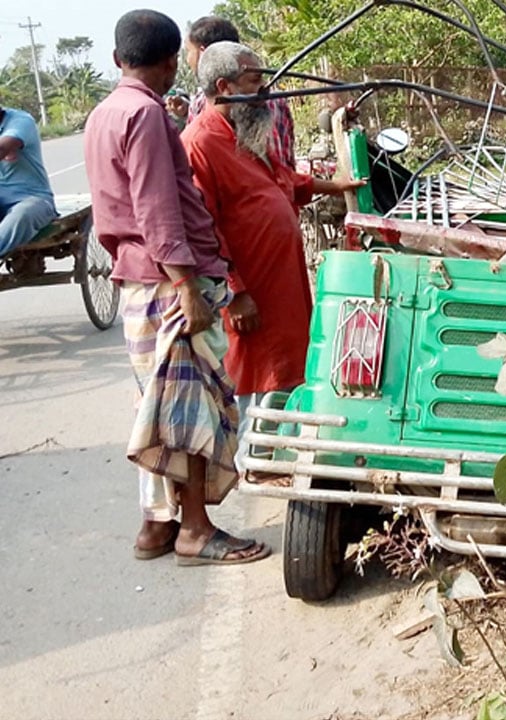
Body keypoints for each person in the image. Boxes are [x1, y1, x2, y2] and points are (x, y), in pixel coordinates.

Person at [84, 9, 269, 565]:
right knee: (192, 411)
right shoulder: (145, 116)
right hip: (168, 285)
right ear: (170, 63)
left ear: (118, 59)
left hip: (142, 282)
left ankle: (156, 527)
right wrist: (188, 285)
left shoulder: (103, 113)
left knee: (159, 406)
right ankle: (195, 530)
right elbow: (157, 208)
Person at [183, 41, 362, 450]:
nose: (265, 89)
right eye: (255, 80)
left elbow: (282, 180)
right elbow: (203, 228)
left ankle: (280, 452)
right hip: (251, 291)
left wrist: (336, 185)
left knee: (287, 372)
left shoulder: (243, 132)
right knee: (255, 379)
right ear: (225, 87)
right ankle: (255, 460)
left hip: (282, 284)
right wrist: (236, 293)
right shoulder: (200, 143)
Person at [184, 16, 296, 170]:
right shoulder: (278, 101)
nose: (264, 86)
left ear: (203, 53)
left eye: (188, 51)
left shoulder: (200, 103)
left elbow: (287, 175)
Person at [0, 106, 58, 258]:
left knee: (22, 215)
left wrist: (7, 150)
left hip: (34, 198)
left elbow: (3, 147)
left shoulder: (21, 121)